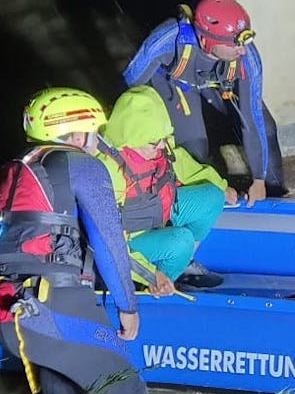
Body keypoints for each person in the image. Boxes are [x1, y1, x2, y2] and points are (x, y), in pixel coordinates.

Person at [0, 87, 162, 394]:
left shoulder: (11, 170)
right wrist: (128, 304)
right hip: (52, 303)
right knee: (128, 393)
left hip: (5, 306)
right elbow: (109, 242)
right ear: (77, 134)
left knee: (57, 366)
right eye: (95, 132)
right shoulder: (83, 166)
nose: (98, 141)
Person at [121, 0, 286, 201]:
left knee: (266, 126)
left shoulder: (246, 56)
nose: (243, 50)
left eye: (243, 42)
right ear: (205, 39)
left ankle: (273, 193)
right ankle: (196, 199)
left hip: (218, 81)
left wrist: (260, 179)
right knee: (194, 148)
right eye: (234, 43)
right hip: (178, 83)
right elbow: (130, 83)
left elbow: (252, 118)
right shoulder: (169, 40)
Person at [98, 85, 232, 294]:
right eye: (155, 142)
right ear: (132, 139)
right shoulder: (109, 170)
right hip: (130, 243)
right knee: (181, 240)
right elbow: (107, 240)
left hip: (159, 213)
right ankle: (153, 284)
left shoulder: (157, 146)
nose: (162, 145)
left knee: (213, 197)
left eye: (163, 138)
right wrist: (149, 273)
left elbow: (187, 167)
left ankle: (183, 263)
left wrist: (223, 186)